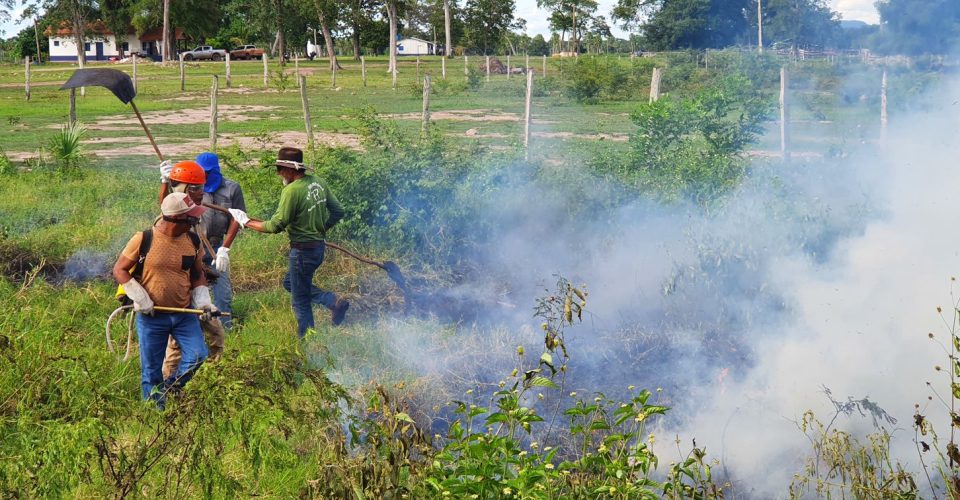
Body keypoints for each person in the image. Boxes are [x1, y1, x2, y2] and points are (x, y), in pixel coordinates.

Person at [226, 147, 349, 338]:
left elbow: (275, 225)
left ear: (291, 170)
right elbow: (338, 211)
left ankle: (308, 340)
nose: (278, 173)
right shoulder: (318, 182)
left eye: (280, 169)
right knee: (290, 282)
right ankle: (331, 301)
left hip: (302, 252)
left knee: (299, 300)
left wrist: (246, 222)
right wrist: (320, 229)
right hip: (318, 249)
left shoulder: (291, 191)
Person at [113, 192, 215, 408]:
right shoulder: (143, 239)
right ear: (177, 220)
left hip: (184, 314)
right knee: (151, 369)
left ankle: (170, 387)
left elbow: (197, 275)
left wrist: (204, 302)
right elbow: (120, 270)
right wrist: (140, 297)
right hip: (152, 317)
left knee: (198, 355)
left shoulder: (193, 240)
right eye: (191, 218)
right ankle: (155, 414)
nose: (196, 221)